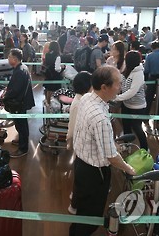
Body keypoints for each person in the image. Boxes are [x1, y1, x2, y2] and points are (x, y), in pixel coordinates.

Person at [70, 66, 135, 236]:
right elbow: (111, 157)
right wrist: (128, 169)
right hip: (94, 173)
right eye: (118, 84)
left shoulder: (86, 98)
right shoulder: (100, 118)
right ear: (104, 87)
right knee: (90, 216)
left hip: (80, 163)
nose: (121, 87)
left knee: (82, 210)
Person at [66, 71, 92, 215]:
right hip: (80, 143)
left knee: (80, 173)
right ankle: (74, 204)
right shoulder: (79, 103)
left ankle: (74, 196)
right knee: (80, 175)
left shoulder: (82, 99)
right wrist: (70, 142)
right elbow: (73, 126)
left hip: (80, 143)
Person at [3, 49, 35, 158]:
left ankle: (23, 148)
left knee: (21, 125)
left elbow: (15, 90)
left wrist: (5, 97)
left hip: (19, 103)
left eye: (9, 57)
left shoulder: (19, 72)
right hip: (22, 101)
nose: (8, 59)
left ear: (14, 59)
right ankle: (22, 140)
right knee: (21, 124)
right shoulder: (22, 68)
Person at [113, 51, 148, 150]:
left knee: (138, 129)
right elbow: (121, 83)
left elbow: (132, 91)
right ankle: (127, 146)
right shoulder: (127, 69)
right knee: (126, 127)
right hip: (126, 105)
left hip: (138, 107)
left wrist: (116, 98)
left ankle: (145, 149)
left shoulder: (139, 73)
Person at [43, 41, 62, 105]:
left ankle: (48, 103)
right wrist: (62, 68)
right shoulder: (57, 56)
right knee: (56, 91)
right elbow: (57, 68)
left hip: (48, 74)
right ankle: (55, 104)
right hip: (55, 75)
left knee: (48, 89)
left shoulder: (47, 54)